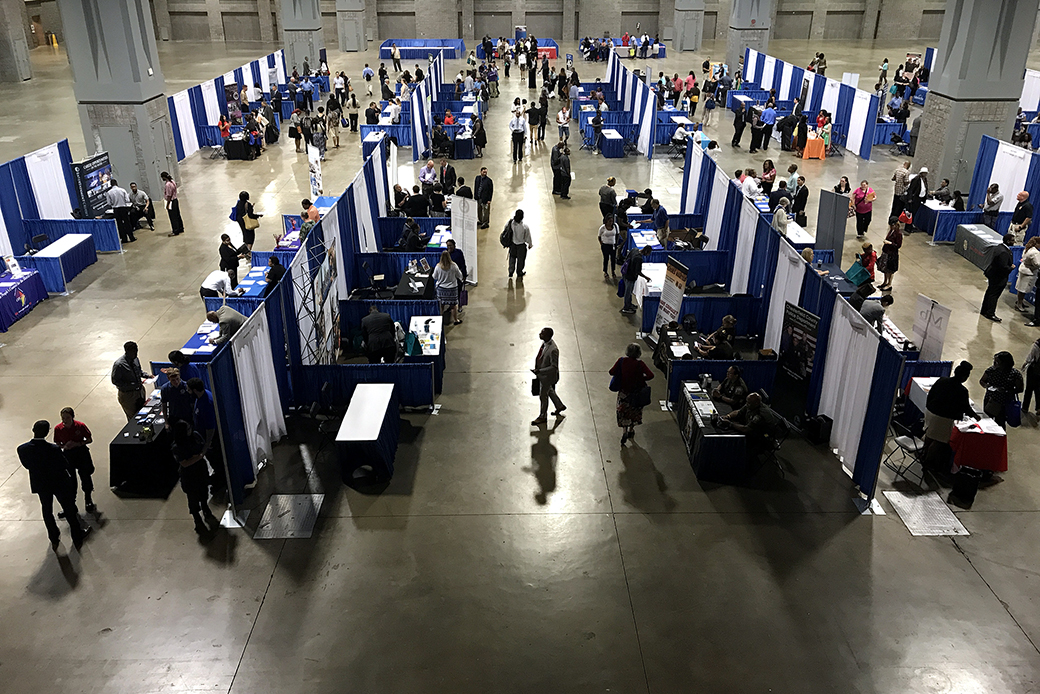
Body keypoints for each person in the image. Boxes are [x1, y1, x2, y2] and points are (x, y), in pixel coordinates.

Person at [18, 420, 88, 550]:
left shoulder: (22, 449)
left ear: (33, 430)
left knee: (46, 509)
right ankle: (77, 535)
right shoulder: (53, 449)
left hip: (40, 483)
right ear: (47, 432)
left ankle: (53, 537)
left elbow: (27, 465)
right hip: (58, 482)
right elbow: (64, 464)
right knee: (68, 508)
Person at [170, 420, 219, 536]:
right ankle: (197, 518)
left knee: (203, 491)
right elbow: (185, 463)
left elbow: (203, 447)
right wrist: (199, 457)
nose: (190, 430)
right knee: (193, 498)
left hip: (200, 471)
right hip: (189, 476)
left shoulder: (195, 436)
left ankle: (205, 507)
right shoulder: (177, 447)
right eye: (187, 429)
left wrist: (197, 457)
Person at [610, 343, 655, 445]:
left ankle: (624, 431)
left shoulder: (621, 361)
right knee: (634, 411)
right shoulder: (640, 364)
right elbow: (650, 375)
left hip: (624, 392)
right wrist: (641, 378)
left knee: (623, 411)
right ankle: (631, 430)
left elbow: (611, 372)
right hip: (637, 392)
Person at [53, 407, 96, 515]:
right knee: (70, 480)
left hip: (81, 453)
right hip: (68, 455)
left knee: (85, 476)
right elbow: (57, 443)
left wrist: (78, 443)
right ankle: (71, 504)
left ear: (72, 417)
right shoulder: (58, 429)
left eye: (67, 417)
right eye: (63, 418)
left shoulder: (80, 426)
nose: (65, 420)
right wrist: (65, 446)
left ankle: (88, 499)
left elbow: (89, 439)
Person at [723, 392, 780, 457]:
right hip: (752, 428)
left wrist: (730, 424)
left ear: (756, 404)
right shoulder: (751, 404)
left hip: (762, 437)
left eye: (748, 403)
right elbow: (739, 412)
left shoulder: (760, 415)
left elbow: (746, 429)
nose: (746, 404)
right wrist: (728, 416)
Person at [531, 327, 565, 426]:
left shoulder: (553, 349)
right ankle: (559, 406)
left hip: (547, 377)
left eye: (542, 333)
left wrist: (540, 371)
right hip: (542, 375)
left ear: (547, 336)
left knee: (543, 395)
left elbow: (554, 367)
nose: (539, 334)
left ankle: (543, 416)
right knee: (549, 390)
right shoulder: (544, 344)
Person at [980, 351, 1024, 428]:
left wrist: (1006, 391)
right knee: (986, 422)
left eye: (997, 362)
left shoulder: (1014, 374)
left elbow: (1020, 389)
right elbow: (982, 380)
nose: (994, 363)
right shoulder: (991, 370)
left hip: (1004, 403)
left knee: (1000, 424)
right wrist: (986, 386)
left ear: (1005, 363)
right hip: (990, 401)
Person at [112, 341, 150, 421]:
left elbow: (139, 371)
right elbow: (115, 381)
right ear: (127, 351)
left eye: (136, 351)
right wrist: (131, 385)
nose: (135, 353)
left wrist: (147, 375)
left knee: (144, 412)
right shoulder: (119, 365)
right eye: (133, 351)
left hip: (139, 391)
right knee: (134, 418)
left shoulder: (135, 359)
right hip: (128, 395)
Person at [981, 234, 1015, 322]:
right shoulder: (1004, 252)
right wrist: (1011, 268)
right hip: (998, 277)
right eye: (1012, 240)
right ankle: (990, 313)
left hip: (993, 275)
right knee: (994, 295)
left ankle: (984, 310)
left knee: (989, 292)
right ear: (1008, 241)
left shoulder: (999, 247)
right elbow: (1003, 267)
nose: (1014, 242)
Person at [433, 250, 465, 325]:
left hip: (441, 289)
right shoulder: (454, 266)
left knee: (441, 305)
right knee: (453, 306)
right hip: (452, 289)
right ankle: (455, 320)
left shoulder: (438, 267)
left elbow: (434, 276)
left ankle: (440, 319)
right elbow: (459, 275)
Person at [620, 245, 653, 315]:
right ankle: (626, 308)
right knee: (628, 293)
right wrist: (646, 277)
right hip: (630, 277)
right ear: (646, 251)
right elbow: (638, 271)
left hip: (625, 273)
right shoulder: (639, 258)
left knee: (629, 292)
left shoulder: (635, 249)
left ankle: (629, 304)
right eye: (648, 253)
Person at [106, 179, 135, 243]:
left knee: (120, 224)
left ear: (111, 184)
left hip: (116, 209)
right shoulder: (122, 190)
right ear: (116, 183)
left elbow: (109, 203)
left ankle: (124, 239)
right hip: (123, 208)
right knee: (127, 223)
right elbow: (127, 200)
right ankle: (131, 237)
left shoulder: (109, 192)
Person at [506, 209, 533, 279]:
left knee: (512, 258)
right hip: (521, 246)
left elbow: (506, 231)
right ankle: (519, 272)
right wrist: (530, 244)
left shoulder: (510, 223)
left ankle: (511, 271)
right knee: (521, 260)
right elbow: (527, 237)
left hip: (513, 244)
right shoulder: (524, 227)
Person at [1018, 238, 1040, 313]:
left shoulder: (1027, 248)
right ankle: (1019, 304)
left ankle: (1020, 302)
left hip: (1023, 269)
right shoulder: (1035, 252)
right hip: (1029, 272)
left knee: (1021, 288)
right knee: (1023, 289)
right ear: (1037, 243)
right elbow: (1037, 264)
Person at [904, 167, 928, 232]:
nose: (925, 174)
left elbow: (924, 188)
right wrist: (910, 198)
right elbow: (911, 189)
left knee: (914, 214)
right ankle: (908, 227)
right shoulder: (916, 179)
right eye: (924, 173)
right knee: (911, 214)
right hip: (914, 199)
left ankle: (911, 226)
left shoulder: (924, 179)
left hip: (919, 199)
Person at [598, 215, 620, 280]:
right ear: (606, 221)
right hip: (605, 245)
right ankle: (605, 272)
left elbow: (617, 234)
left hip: (613, 245)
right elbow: (599, 236)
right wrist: (602, 244)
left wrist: (616, 243)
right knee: (606, 258)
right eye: (609, 221)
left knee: (613, 259)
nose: (611, 223)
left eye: (612, 221)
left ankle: (613, 271)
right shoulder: (602, 228)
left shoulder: (615, 226)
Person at [1023, 340, 1040, 414]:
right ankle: (1039, 408)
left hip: (1034, 370)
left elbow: (1030, 356)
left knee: (1029, 389)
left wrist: (1025, 363)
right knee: (1039, 390)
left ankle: (1025, 407)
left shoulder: (1037, 345)